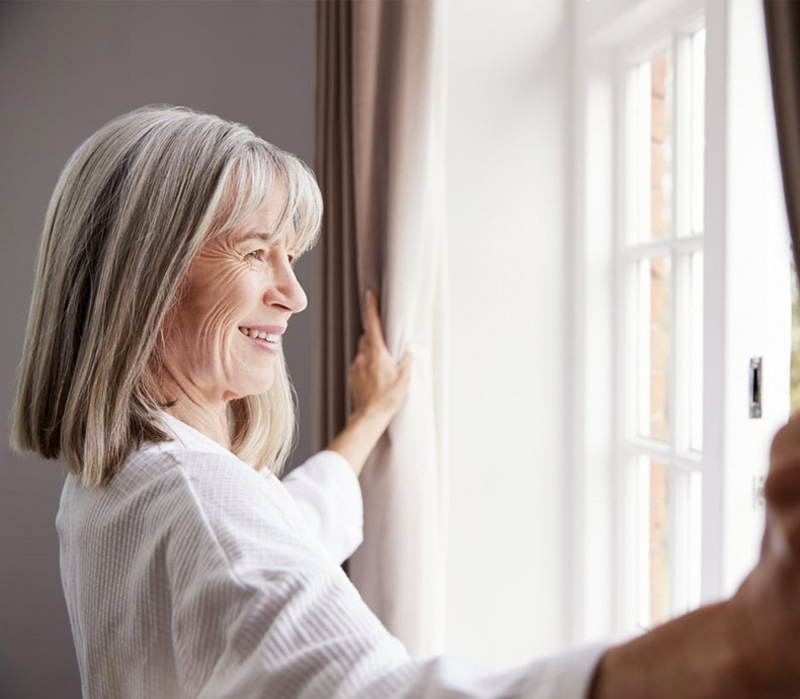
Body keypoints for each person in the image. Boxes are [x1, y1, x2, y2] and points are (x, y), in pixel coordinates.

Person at [10, 105, 800, 698]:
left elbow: (290, 524)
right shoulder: (197, 506)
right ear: (143, 283)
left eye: (292, 256)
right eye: (256, 252)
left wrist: (372, 415)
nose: (294, 294)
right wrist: (740, 644)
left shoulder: (118, 484)